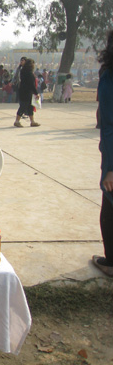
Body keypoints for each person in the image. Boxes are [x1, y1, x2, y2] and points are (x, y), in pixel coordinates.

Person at [94, 30, 113, 277]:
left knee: (109, 208)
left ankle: (110, 262)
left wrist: (110, 168)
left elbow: (108, 125)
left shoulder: (108, 77)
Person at [14, 58, 40, 127]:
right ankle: (17, 121)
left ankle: (32, 121)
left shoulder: (23, 71)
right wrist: (36, 93)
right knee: (23, 106)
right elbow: (31, 85)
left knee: (30, 107)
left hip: (22, 91)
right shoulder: (29, 73)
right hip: (27, 92)